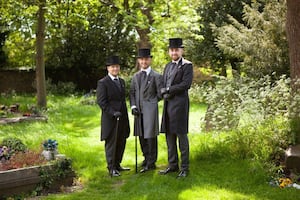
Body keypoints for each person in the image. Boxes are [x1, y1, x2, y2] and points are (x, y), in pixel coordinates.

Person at [159, 38, 193, 178]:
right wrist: (162, 90)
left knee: (181, 136)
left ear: (181, 51)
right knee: (169, 136)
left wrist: (167, 89)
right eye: (172, 50)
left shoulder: (187, 65)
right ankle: (172, 165)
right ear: (169, 51)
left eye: (176, 50)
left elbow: (186, 84)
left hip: (179, 105)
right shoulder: (167, 66)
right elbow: (163, 82)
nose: (174, 52)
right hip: (168, 105)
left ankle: (184, 168)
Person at [96, 55, 130, 177]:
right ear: (108, 68)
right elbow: (101, 102)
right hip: (110, 119)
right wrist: (112, 112)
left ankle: (118, 165)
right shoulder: (103, 83)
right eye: (112, 67)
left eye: (116, 67)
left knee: (121, 141)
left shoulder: (121, 81)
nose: (115, 69)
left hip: (122, 117)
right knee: (112, 143)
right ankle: (111, 168)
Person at [129, 48, 163, 173]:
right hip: (138, 110)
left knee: (150, 136)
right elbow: (132, 93)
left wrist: (151, 103)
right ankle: (146, 158)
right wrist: (133, 106)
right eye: (141, 59)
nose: (144, 61)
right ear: (139, 61)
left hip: (150, 110)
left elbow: (160, 94)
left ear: (150, 60)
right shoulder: (135, 76)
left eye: (146, 59)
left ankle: (151, 162)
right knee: (141, 135)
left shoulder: (156, 76)